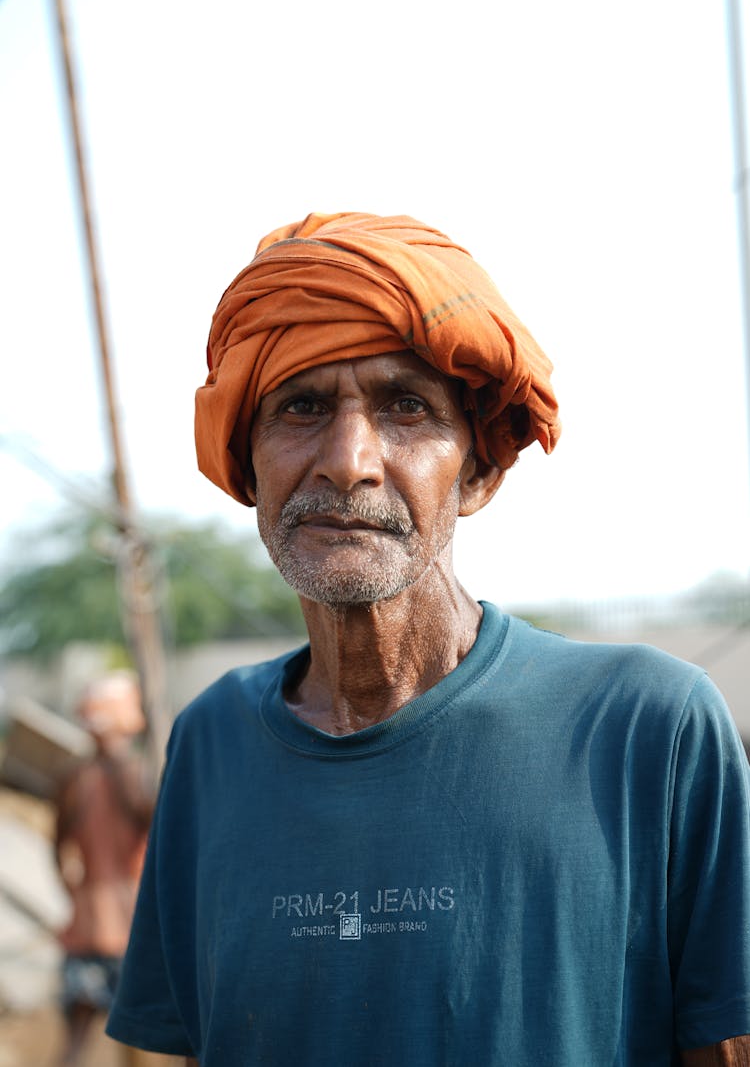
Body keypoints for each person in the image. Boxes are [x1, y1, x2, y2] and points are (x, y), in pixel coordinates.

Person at [107, 212, 750, 1066]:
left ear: (479, 470)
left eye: (403, 405)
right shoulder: (211, 742)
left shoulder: (647, 730)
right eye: (301, 405)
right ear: (248, 465)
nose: (350, 459)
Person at [55, 670, 154, 1066]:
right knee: (137, 1050)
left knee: (75, 1046)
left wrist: (77, 898)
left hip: (83, 932)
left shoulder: (74, 779)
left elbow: (58, 851)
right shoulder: (138, 776)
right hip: (131, 935)